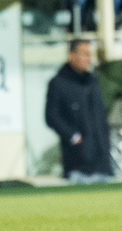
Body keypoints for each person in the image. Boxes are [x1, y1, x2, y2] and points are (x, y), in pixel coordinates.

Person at [44, 39, 114, 183]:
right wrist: (73, 136)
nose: (88, 59)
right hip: (77, 163)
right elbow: (51, 116)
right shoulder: (59, 83)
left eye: (90, 55)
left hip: (102, 161)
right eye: (84, 54)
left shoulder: (93, 81)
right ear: (71, 55)